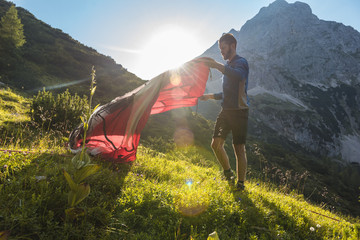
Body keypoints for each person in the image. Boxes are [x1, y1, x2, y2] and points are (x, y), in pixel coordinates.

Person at [199, 33, 249, 191]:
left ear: (232, 46)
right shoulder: (228, 67)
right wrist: (209, 96)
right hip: (226, 111)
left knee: (238, 148)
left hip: (240, 112)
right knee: (215, 144)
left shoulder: (241, 62)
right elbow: (226, 93)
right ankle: (228, 174)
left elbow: (238, 76)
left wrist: (216, 65)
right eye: (220, 49)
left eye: (223, 48)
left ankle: (240, 184)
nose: (221, 52)